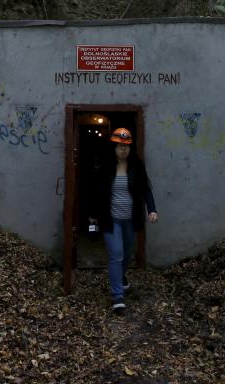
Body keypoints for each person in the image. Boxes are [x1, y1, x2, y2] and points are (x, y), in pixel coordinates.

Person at [88, 127, 157, 314]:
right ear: (113, 147)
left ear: (130, 148)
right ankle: (117, 296)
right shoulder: (106, 168)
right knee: (116, 254)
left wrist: (151, 209)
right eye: (119, 146)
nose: (123, 149)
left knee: (127, 253)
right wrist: (93, 213)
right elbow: (97, 192)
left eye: (126, 146)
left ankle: (121, 275)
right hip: (111, 220)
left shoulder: (137, 167)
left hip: (130, 219)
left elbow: (146, 189)